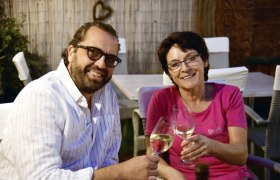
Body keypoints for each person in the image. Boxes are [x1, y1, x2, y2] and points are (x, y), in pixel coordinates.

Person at [0, 21, 159, 179]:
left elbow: (109, 159)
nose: (101, 64)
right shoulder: (41, 98)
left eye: (110, 59)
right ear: (71, 52)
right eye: (93, 52)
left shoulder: (107, 94)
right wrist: (120, 173)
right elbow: (41, 177)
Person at [145, 31, 250, 180]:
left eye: (191, 58)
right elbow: (152, 150)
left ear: (205, 60)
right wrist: (172, 174)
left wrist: (211, 146)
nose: (185, 68)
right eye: (175, 65)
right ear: (169, 73)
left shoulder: (229, 95)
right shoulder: (162, 100)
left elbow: (241, 155)